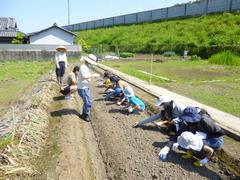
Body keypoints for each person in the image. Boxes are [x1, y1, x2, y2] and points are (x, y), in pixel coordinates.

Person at [159, 106, 225, 166]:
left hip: (215, 139)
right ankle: (191, 153)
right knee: (186, 138)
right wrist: (166, 147)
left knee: (196, 143)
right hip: (199, 135)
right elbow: (177, 135)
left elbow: (222, 132)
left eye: (190, 120)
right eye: (187, 120)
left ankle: (202, 158)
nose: (188, 122)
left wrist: (205, 136)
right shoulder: (186, 123)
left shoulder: (205, 121)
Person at [77, 54, 99, 122]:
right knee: (88, 102)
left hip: (85, 87)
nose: (92, 65)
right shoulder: (83, 67)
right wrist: (93, 75)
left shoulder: (86, 67)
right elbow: (84, 76)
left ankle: (85, 113)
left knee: (87, 101)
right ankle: (85, 115)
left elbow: (87, 77)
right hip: (83, 87)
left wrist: (91, 77)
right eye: (92, 63)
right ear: (89, 62)